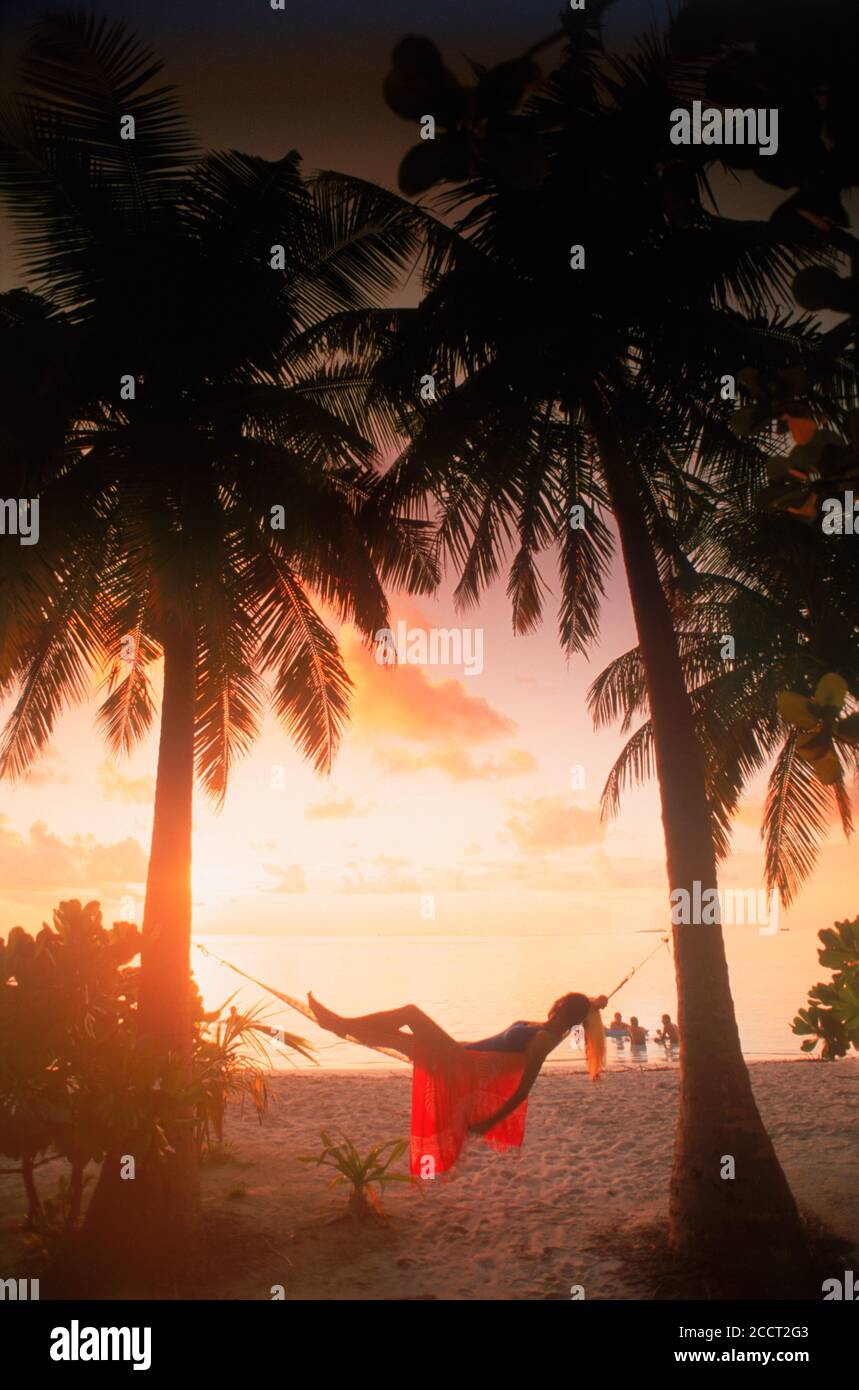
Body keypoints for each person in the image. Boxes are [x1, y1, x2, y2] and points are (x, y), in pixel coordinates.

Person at [308, 990, 608, 1175]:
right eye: (558, 1009)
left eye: (562, 1014)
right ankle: (339, 1025)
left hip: (460, 1063)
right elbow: (584, 1010)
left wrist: (487, 1122)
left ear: (567, 1018)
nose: (555, 1014)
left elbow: (522, 1091)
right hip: (461, 1052)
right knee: (396, 1036)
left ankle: (339, 1024)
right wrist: (595, 1002)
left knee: (410, 1013)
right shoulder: (549, 1028)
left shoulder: (545, 1039)